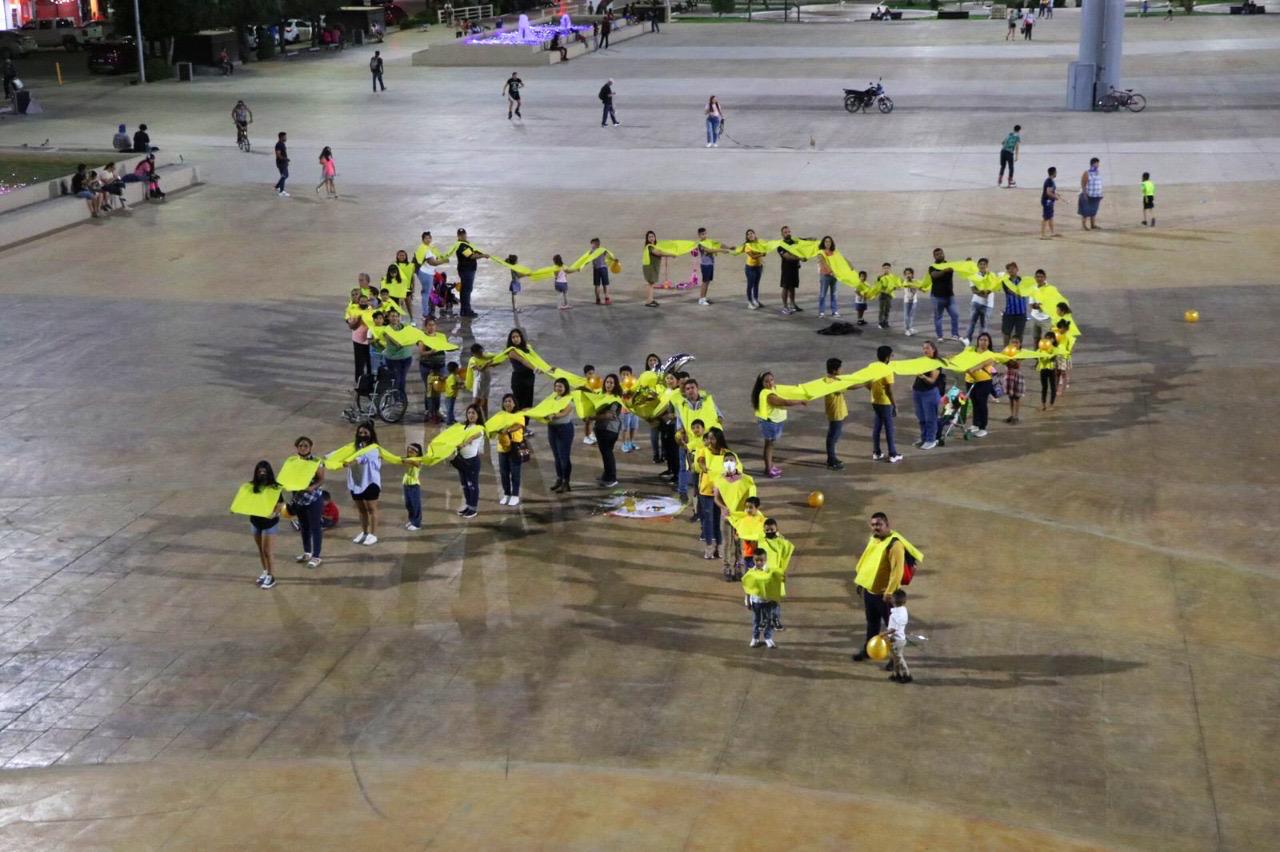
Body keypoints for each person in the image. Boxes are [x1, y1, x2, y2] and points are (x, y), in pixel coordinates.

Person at [851, 512, 908, 661]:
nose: (876, 528)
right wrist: (861, 581)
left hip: (885, 596)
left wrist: (889, 592)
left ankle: (894, 658)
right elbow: (867, 561)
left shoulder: (895, 545)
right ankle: (868, 650)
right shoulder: (874, 539)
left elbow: (897, 571)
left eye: (879, 524)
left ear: (887, 525)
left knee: (892, 629)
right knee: (872, 623)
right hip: (870, 592)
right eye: (873, 525)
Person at [751, 370, 807, 478]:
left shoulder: (773, 389)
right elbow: (785, 402)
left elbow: (789, 390)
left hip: (773, 421)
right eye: (766, 381)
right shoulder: (768, 395)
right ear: (762, 383)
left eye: (771, 380)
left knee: (770, 445)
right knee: (769, 445)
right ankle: (768, 469)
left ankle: (769, 466)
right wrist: (800, 401)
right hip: (770, 423)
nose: (770, 383)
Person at [288, 436, 326, 569]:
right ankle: (307, 552)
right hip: (299, 499)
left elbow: (321, 479)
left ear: (310, 447)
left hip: (313, 498)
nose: (303, 448)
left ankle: (316, 556)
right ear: (297, 447)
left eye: (306, 446)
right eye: (300, 446)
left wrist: (312, 487)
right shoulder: (292, 461)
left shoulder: (316, 461)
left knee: (315, 527)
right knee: (304, 527)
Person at [247, 461, 285, 589]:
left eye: (264, 471)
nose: (262, 474)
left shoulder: (275, 488)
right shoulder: (251, 487)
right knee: (260, 550)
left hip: (269, 523)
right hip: (255, 522)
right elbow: (245, 501)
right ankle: (265, 572)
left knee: (267, 551)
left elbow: (281, 504)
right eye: (259, 471)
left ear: (269, 472)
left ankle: (271, 576)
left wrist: (274, 514)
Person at [346, 422, 384, 545]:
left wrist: (351, 460)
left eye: (365, 432)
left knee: (372, 509)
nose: (362, 435)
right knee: (361, 509)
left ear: (371, 434)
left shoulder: (375, 448)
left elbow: (362, 459)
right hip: (356, 482)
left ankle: (373, 534)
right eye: (360, 433)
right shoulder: (354, 448)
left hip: (370, 482)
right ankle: (364, 532)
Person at [741, 546, 782, 649]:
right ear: (753, 559)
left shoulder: (771, 572)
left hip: (768, 601)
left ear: (766, 559)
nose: (759, 562)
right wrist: (748, 600)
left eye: (761, 560)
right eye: (756, 560)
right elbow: (748, 587)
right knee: (756, 620)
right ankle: (755, 638)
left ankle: (768, 638)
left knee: (769, 620)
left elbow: (775, 585)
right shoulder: (750, 573)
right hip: (756, 601)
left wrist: (776, 599)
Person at [695, 425, 725, 560]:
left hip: (720, 491)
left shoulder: (726, 453)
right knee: (708, 519)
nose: (710, 441)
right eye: (709, 438)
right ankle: (708, 547)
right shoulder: (703, 451)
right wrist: (706, 468)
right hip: (706, 490)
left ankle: (719, 547)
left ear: (719, 439)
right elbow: (701, 462)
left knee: (718, 520)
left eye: (712, 438)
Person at [869, 345, 902, 462]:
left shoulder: (872, 366)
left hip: (875, 401)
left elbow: (868, 382)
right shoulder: (888, 370)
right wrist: (894, 405)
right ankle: (893, 454)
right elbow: (889, 391)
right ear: (887, 357)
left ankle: (876, 452)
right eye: (891, 355)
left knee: (877, 427)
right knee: (889, 429)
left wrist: (873, 391)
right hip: (885, 402)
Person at [546, 377, 577, 493]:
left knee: (564, 457)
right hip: (552, 429)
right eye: (556, 386)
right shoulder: (553, 397)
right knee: (557, 456)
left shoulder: (569, 399)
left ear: (565, 388)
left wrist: (554, 415)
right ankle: (559, 479)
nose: (557, 388)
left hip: (564, 430)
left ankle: (566, 482)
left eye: (560, 386)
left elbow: (565, 412)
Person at [964, 333, 997, 438]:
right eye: (981, 340)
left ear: (989, 342)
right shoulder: (971, 351)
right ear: (978, 341)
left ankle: (983, 427)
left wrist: (973, 368)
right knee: (974, 403)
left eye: (986, 340)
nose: (983, 342)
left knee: (982, 404)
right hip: (970, 380)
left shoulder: (990, 354)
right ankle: (975, 424)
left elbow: (983, 364)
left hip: (984, 382)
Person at [912, 340, 943, 450]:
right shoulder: (922, 360)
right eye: (924, 348)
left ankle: (931, 440)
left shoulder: (936, 363)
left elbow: (932, 380)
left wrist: (923, 376)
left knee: (930, 418)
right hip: (917, 392)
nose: (925, 350)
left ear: (933, 349)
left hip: (929, 394)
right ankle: (924, 438)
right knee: (921, 418)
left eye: (928, 348)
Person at [454, 405, 485, 518]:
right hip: (462, 460)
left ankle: (473, 509)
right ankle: (468, 505)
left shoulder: (479, 428)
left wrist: (464, 443)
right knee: (465, 485)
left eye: (473, 413)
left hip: (472, 461)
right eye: (469, 413)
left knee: (472, 485)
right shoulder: (464, 427)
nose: (471, 415)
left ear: (478, 415)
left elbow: (473, 437)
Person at [594, 373, 623, 487]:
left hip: (609, 430)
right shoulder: (602, 395)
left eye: (611, 383)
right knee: (605, 453)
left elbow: (609, 415)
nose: (609, 384)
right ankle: (606, 475)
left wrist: (591, 417)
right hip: (601, 428)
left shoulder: (615, 399)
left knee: (607, 454)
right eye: (607, 382)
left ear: (615, 385)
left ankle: (611, 478)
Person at [496, 394, 526, 506]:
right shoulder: (500, 415)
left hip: (515, 447)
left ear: (514, 403)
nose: (507, 403)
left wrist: (508, 430)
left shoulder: (519, 415)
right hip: (503, 448)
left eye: (510, 401)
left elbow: (519, 426)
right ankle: (507, 494)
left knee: (515, 472)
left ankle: (515, 495)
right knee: (504, 473)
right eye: (505, 401)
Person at [418, 317, 448, 422]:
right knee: (429, 390)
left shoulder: (441, 336)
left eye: (433, 325)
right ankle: (429, 411)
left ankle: (437, 410)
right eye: (429, 325)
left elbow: (445, 347)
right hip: (427, 368)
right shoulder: (422, 337)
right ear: (426, 326)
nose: (431, 327)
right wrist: (430, 352)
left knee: (438, 389)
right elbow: (421, 352)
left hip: (440, 367)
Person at [453, 227, 487, 318]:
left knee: (465, 290)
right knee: (466, 290)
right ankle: (466, 311)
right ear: (458, 236)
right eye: (461, 235)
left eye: (464, 234)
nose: (463, 236)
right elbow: (471, 256)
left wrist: (481, 254)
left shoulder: (466, 244)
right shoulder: (461, 246)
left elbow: (474, 251)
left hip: (467, 270)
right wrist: (483, 256)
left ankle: (464, 310)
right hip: (466, 270)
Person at [928, 247, 960, 340]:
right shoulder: (932, 267)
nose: (940, 255)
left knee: (955, 315)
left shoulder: (949, 265)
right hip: (937, 297)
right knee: (938, 317)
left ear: (944, 254)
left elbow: (960, 267)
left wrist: (967, 263)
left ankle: (954, 334)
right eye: (937, 254)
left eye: (941, 253)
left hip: (949, 296)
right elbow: (934, 275)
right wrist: (944, 271)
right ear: (934, 256)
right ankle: (940, 336)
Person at [823, 358, 848, 470]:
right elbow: (850, 386)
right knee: (833, 436)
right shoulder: (834, 383)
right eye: (839, 368)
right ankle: (831, 460)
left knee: (834, 434)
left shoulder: (828, 380)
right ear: (834, 370)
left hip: (836, 411)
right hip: (836, 412)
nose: (841, 370)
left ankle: (832, 457)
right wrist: (865, 383)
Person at [882, 589, 912, 682]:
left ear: (893, 601)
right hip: (901, 639)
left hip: (896, 640)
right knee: (896, 658)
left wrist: (883, 634)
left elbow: (893, 629)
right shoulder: (904, 610)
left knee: (899, 658)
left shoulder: (894, 616)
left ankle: (907, 675)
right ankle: (896, 674)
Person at [776, 225, 806, 315]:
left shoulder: (794, 242)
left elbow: (801, 247)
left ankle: (792, 305)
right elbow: (787, 257)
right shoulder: (780, 246)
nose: (788, 233)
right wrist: (800, 258)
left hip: (795, 268)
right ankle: (785, 307)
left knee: (792, 287)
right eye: (785, 232)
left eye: (789, 232)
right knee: (785, 287)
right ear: (782, 234)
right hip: (786, 269)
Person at [505, 328, 538, 412]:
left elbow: (536, 359)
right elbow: (523, 361)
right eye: (513, 337)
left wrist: (546, 367)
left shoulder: (527, 348)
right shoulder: (512, 351)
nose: (515, 339)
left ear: (521, 337)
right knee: (519, 403)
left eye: (517, 336)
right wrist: (535, 368)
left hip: (529, 378)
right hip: (519, 380)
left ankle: (526, 420)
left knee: (528, 402)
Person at [965, 257, 994, 344]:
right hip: (976, 303)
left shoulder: (991, 276)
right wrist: (982, 293)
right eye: (980, 264)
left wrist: (987, 292)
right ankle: (967, 341)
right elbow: (973, 290)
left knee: (983, 325)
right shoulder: (974, 276)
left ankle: (981, 343)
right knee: (972, 323)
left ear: (987, 266)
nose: (982, 266)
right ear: (978, 266)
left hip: (988, 305)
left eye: (984, 264)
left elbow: (994, 287)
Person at [1000, 262, 1028, 347]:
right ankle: (1005, 351)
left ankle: (1018, 351)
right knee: (1006, 333)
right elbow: (1009, 290)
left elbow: (1026, 292)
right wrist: (1018, 293)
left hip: (1021, 313)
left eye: (1013, 268)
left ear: (1017, 269)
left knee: (1019, 334)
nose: (1011, 270)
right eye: (1009, 269)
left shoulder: (1023, 281)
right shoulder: (1005, 282)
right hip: (1009, 312)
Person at [642, 230, 673, 308]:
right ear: (647, 239)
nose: (651, 238)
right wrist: (671, 254)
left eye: (652, 236)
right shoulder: (650, 247)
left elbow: (660, 251)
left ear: (655, 237)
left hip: (653, 267)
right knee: (650, 284)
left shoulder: (655, 246)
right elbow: (659, 253)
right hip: (650, 268)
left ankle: (651, 299)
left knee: (651, 284)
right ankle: (648, 301)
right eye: (649, 237)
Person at [695, 226, 720, 305]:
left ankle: (704, 298)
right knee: (705, 282)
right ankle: (701, 299)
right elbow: (708, 250)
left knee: (708, 282)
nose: (704, 235)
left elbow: (716, 245)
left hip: (710, 264)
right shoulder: (700, 244)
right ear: (699, 235)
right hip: (705, 265)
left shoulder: (708, 242)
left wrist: (728, 247)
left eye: (705, 233)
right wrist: (720, 250)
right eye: (702, 234)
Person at [741, 228, 765, 309]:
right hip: (750, 268)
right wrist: (762, 254)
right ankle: (750, 302)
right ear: (747, 237)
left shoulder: (759, 243)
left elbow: (765, 247)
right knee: (750, 285)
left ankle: (755, 300)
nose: (750, 235)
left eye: (751, 233)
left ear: (754, 234)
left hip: (759, 267)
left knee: (756, 285)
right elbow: (753, 256)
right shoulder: (747, 245)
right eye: (748, 234)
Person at [817, 237, 840, 319]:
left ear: (831, 243)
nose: (828, 243)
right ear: (823, 243)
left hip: (834, 276)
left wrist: (849, 264)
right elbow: (823, 262)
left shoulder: (834, 252)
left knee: (834, 294)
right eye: (826, 241)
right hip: (825, 275)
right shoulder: (821, 252)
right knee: (823, 294)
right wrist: (830, 271)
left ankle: (834, 311)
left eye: (829, 241)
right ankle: (821, 312)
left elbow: (840, 260)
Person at [1003, 339, 1025, 424]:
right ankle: (1011, 415)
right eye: (1013, 342)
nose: (1015, 344)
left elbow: (1016, 365)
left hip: (1017, 377)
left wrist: (1009, 360)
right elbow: (1004, 362)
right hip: (1009, 376)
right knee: (1010, 397)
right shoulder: (1006, 352)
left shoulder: (1021, 354)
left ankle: (1016, 416)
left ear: (1020, 344)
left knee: (1017, 397)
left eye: (1017, 342)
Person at [402, 442, 423, 530]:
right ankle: (412, 520)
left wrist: (407, 460)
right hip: (406, 484)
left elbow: (417, 464)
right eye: (409, 450)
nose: (410, 452)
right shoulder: (408, 459)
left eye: (413, 451)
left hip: (414, 485)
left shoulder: (418, 460)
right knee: (408, 504)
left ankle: (417, 523)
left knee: (415, 504)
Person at [1079, 157, 1103, 230]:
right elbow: (1083, 183)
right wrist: (1085, 194)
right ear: (1093, 164)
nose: (1098, 165)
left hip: (1096, 195)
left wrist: (1100, 194)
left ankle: (1093, 225)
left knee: (1094, 210)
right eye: (1097, 163)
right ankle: (1084, 225)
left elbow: (1098, 183)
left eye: (1098, 163)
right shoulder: (1087, 172)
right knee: (1086, 211)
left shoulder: (1097, 172)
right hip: (1088, 195)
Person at [587, 238, 611, 305]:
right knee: (604, 284)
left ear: (596, 244)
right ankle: (606, 299)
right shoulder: (603, 250)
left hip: (597, 269)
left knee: (597, 285)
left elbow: (586, 260)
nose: (591, 246)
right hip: (603, 268)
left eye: (592, 244)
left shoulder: (591, 252)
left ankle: (598, 299)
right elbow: (609, 256)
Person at [1041, 166, 1059, 239]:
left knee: (1050, 217)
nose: (1056, 173)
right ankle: (1042, 235)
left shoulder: (1050, 180)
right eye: (1056, 172)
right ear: (1053, 173)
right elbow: (1048, 193)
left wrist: (1056, 194)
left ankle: (1052, 233)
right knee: (1046, 217)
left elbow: (1051, 191)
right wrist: (1055, 197)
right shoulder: (1049, 181)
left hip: (1049, 201)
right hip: (1047, 201)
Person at [901, 267, 919, 335]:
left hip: (914, 301)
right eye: (906, 274)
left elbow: (915, 289)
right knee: (906, 315)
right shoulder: (905, 281)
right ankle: (907, 329)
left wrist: (913, 285)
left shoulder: (915, 281)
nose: (908, 275)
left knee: (911, 315)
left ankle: (910, 327)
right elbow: (907, 288)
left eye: (909, 273)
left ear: (912, 274)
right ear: (904, 275)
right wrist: (911, 285)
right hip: (907, 301)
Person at [274, 131, 290, 197]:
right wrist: (285, 159)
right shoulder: (279, 144)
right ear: (281, 137)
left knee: (284, 175)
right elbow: (278, 154)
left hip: (283, 163)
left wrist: (286, 161)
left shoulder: (282, 144)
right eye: (285, 137)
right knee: (284, 176)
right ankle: (281, 191)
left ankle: (277, 186)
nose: (286, 138)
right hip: (281, 163)